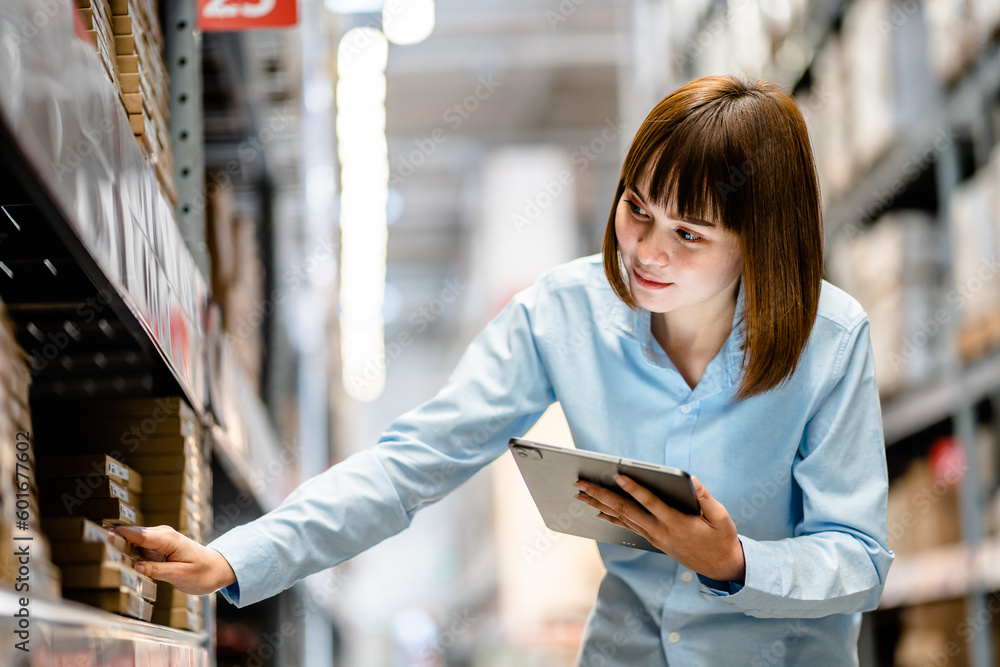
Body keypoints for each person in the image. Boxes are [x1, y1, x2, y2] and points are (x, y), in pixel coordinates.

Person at [116, 75, 894, 665]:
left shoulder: (831, 340)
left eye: (689, 234)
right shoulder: (563, 313)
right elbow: (411, 462)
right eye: (637, 208)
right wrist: (237, 556)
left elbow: (859, 558)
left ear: (759, 241)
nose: (647, 250)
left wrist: (735, 562)